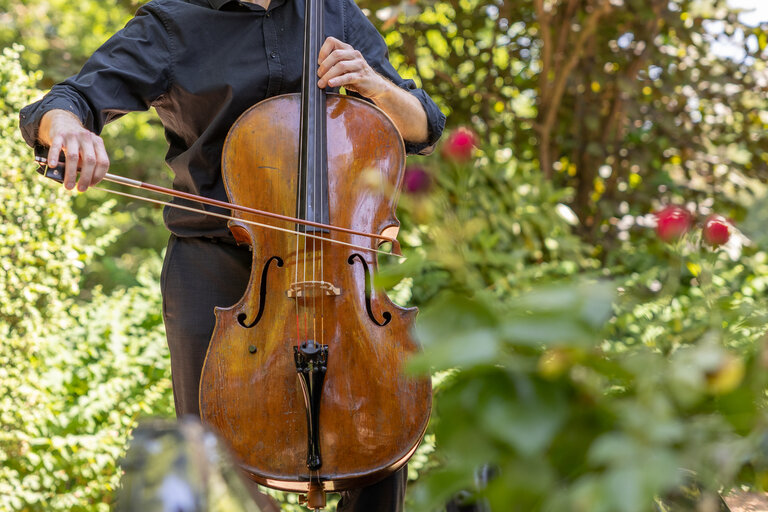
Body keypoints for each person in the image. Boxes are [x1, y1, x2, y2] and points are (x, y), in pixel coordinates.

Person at [19, 0, 445, 510]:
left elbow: (424, 127)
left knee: (380, 428)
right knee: (207, 454)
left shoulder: (333, 11)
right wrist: (66, 127)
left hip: (337, 259)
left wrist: (377, 88)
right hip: (213, 258)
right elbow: (72, 98)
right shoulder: (173, 23)